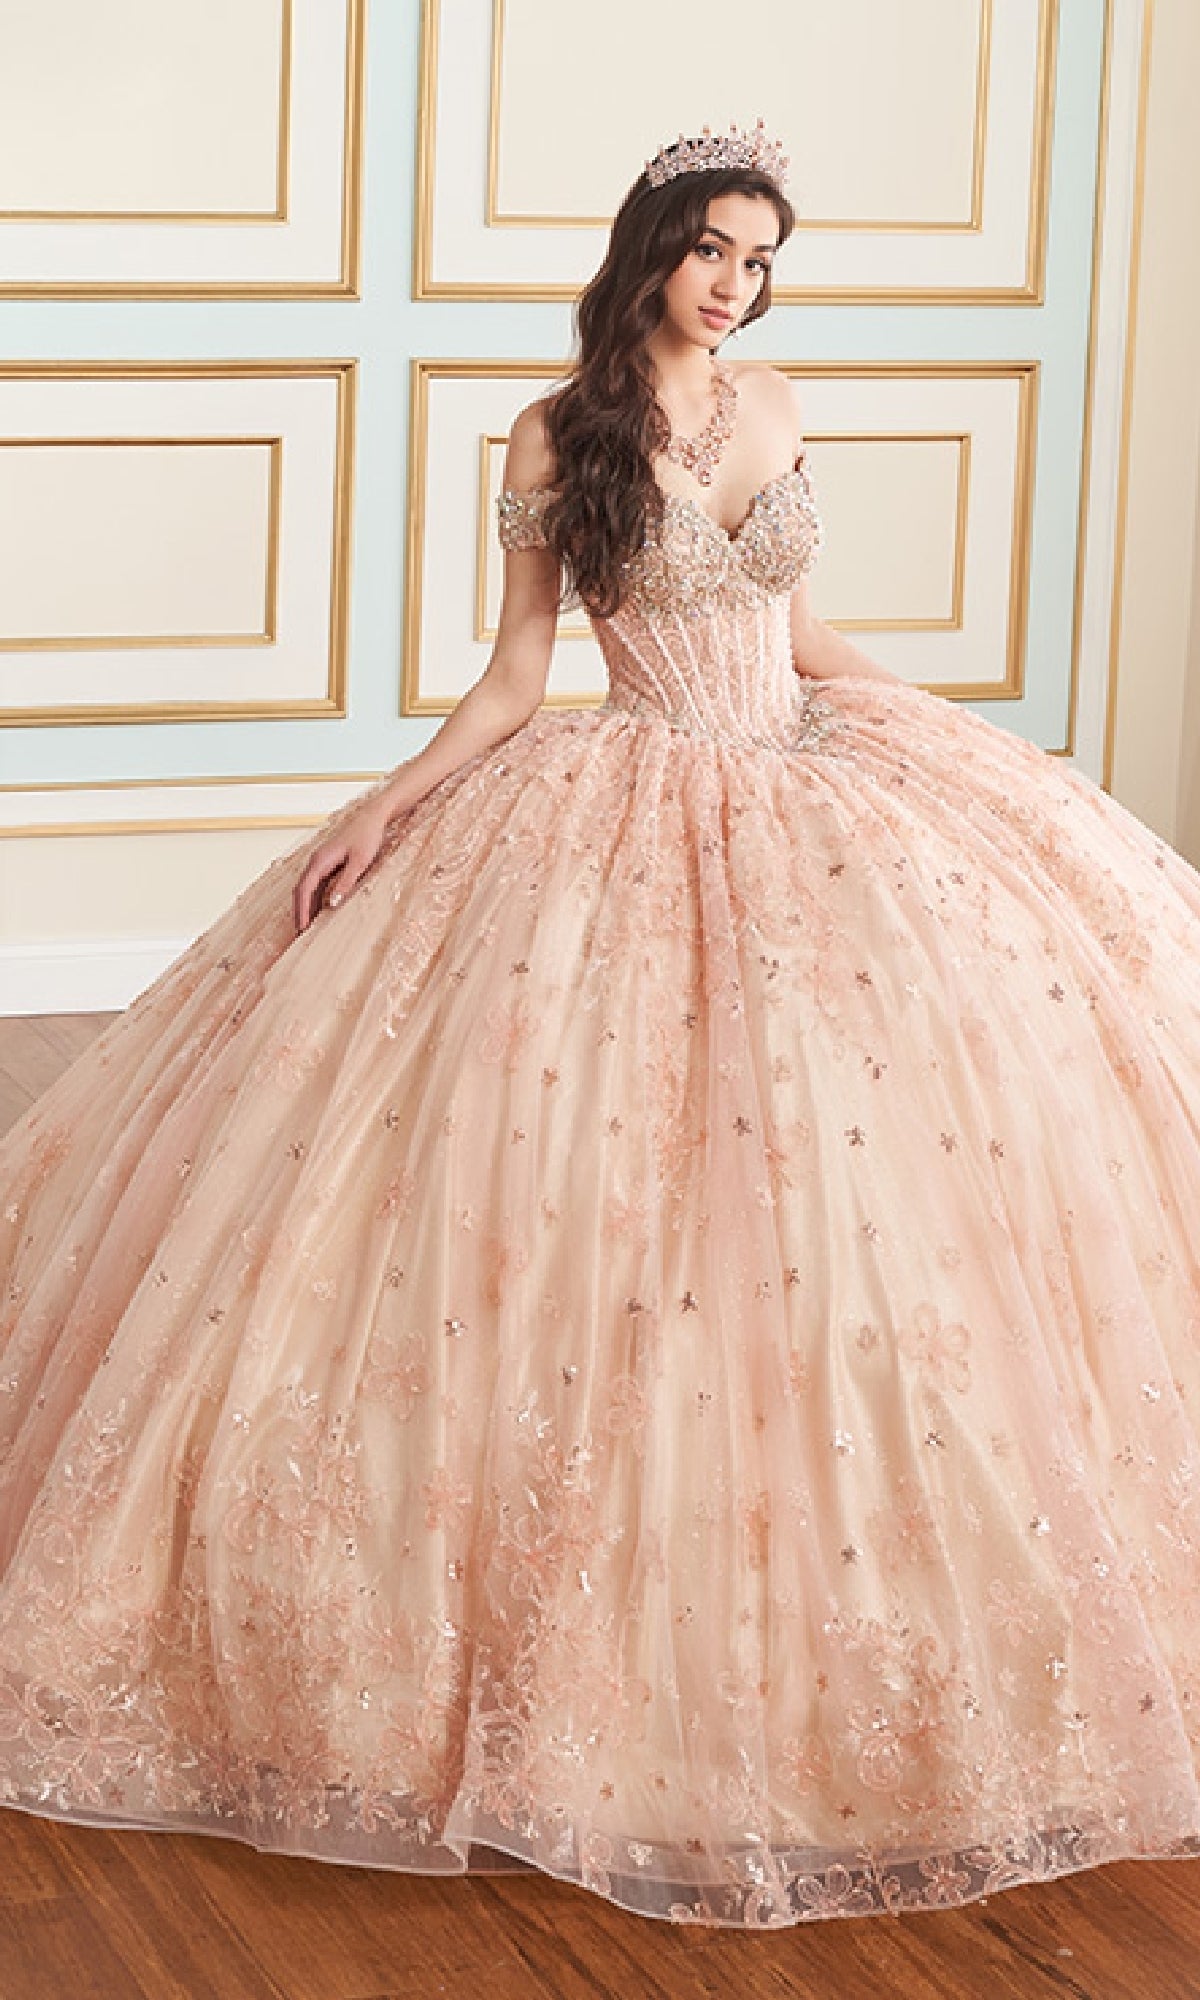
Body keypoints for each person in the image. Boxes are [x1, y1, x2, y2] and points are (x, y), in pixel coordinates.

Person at [2, 121, 1200, 1934]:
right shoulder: (558, 435)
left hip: (796, 782)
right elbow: (515, 674)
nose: (737, 285)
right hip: (620, 796)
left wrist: (967, 739)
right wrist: (379, 812)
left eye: (761, 260)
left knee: (857, 1179)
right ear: (651, 250)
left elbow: (804, 647)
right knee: (585, 1173)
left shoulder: (780, 406)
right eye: (716, 250)